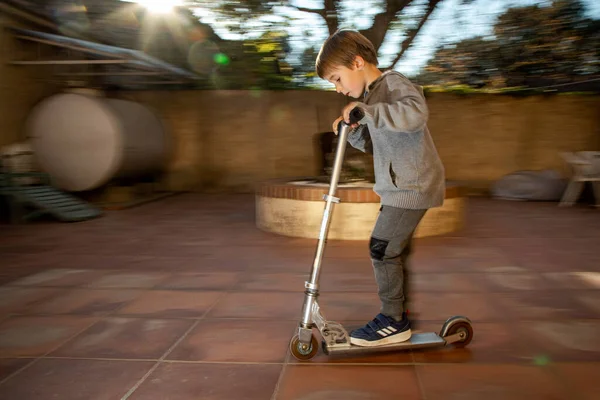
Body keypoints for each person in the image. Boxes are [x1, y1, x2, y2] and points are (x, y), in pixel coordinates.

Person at [315, 29, 445, 347]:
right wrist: (356, 129)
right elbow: (379, 145)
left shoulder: (393, 82)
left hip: (412, 185)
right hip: (399, 186)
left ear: (357, 62)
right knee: (393, 252)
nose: (338, 88)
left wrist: (369, 112)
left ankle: (393, 321)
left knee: (382, 249)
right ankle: (399, 312)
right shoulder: (372, 97)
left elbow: (415, 113)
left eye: (337, 78)